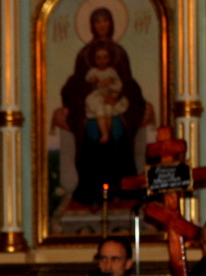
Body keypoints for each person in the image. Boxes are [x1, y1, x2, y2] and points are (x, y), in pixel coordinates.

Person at [59, 7, 147, 205]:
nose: (102, 25)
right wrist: (94, 87)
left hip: (114, 106)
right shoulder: (84, 55)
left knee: (118, 133)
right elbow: (74, 86)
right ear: (92, 25)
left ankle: (121, 188)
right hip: (92, 109)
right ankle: (91, 189)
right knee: (91, 134)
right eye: (97, 21)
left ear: (112, 24)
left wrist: (118, 95)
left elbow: (128, 84)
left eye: (105, 21)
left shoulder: (119, 53)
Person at [84, 44, 129, 144]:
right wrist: (93, 81)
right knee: (100, 110)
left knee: (109, 110)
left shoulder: (111, 72)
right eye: (98, 58)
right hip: (97, 97)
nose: (102, 60)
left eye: (105, 57)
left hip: (109, 96)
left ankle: (108, 133)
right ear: (94, 60)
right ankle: (104, 134)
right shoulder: (93, 71)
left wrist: (112, 85)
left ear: (109, 59)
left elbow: (119, 85)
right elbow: (87, 80)